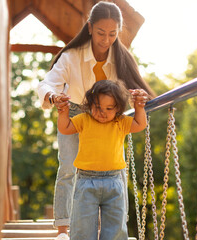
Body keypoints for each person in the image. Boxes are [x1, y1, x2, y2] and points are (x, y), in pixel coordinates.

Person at [37, 2, 155, 239]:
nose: (106, 39)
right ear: (90, 28)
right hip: (75, 111)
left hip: (108, 116)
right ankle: (63, 227)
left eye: (113, 34)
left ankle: (115, 224)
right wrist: (53, 96)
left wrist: (141, 98)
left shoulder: (121, 57)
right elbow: (47, 83)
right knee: (70, 165)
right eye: (101, 32)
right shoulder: (72, 56)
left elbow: (140, 92)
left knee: (114, 167)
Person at [55, 80, 148, 240]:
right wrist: (63, 112)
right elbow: (65, 128)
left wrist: (139, 107)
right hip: (85, 181)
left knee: (115, 228)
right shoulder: (84, 119)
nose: (102, 112)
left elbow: (140, 124)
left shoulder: (120, 122)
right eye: (97, 107)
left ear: (118, 108)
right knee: (82, 228)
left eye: (109, 108)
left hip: (114, 181)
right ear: (90, 104)